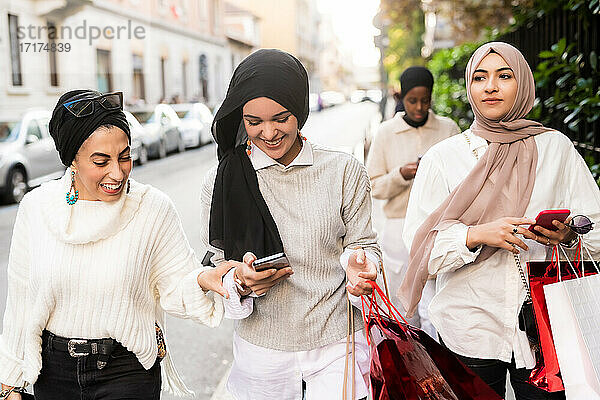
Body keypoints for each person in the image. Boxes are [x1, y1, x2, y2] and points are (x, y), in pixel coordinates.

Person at [399, 42, 600, 399]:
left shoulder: (556, 148)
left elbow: (595, 227)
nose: (490, 86)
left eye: (503, 75)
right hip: (468, 322)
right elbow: (420, 250)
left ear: (522, 83)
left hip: (546, 326)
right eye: (480, 77)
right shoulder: (444, 158)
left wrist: (568, 235)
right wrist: (475, 235)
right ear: (470, 87)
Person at [0, 90, 230, 400]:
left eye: (125, 156)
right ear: (72, 160)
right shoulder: (36, 207)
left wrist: (204, 279)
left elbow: (176, 285)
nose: (117, 172)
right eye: (101, 161)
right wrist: (9, 381)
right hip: (54, 374)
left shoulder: (152, 208)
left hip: (126, 370)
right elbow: (21, 299)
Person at [199, 49, 382, 400]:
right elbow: (215, 262)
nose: (268, 133)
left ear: (300, 109)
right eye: (254, 122)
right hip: (262, 348)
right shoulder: (222, 180)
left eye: (281, 118)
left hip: (338, 339)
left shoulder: (343, 171)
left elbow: (365, 244)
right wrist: (240, 278)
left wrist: (362, 266)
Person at [366, 66, 460, 337]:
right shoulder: (385, 133)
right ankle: (411, 370)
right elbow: (372, 186)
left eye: (425, 100)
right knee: (404, 307)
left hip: (438, 229)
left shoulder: (448, 129)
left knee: (437, 306)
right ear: (402, 98)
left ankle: (438, 371)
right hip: (398, 231)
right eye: (412, 101)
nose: (419, 107)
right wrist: (401, 175)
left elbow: (463, 181)